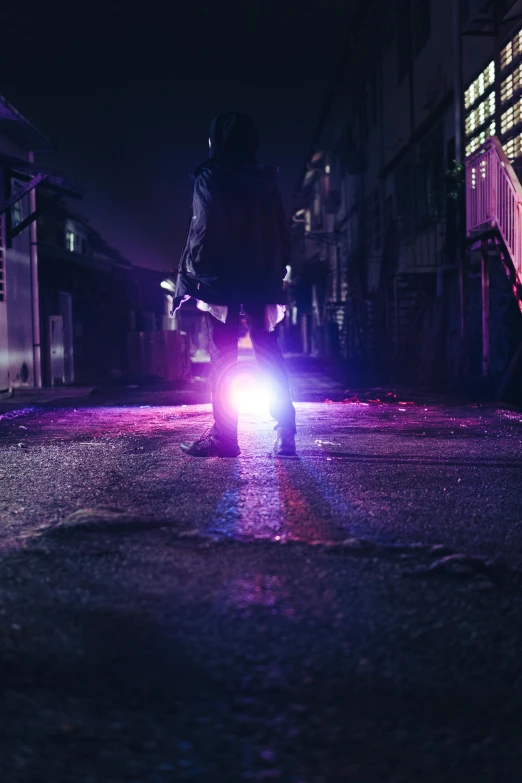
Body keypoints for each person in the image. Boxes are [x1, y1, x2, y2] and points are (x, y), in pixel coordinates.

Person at [172, 111, 296, 457]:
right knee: (269, 351)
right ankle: (286, 434)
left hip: (221, 280)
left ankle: (225, 437)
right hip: (261, 279)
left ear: (218, 141)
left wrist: (192, 275)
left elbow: (202, 229)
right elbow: (283, 233)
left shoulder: (210, 177)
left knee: (224, 356)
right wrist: (276, 270)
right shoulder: (266, 180)